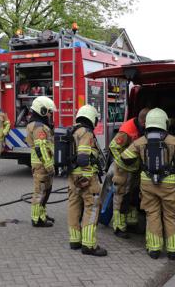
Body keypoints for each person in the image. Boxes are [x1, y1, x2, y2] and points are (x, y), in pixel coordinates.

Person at [121, 108, 175, 260]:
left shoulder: (141, 141)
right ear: (164, 123)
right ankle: (173, 250)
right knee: (171, 215)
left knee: (152, 215)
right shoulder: (173, 140)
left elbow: (125, 157)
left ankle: (154, 249)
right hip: (168, 183)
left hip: (147, 183)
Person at [67, 105, 107, 256]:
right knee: (92, 206)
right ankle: (89, 245)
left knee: (73, 205)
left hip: (72, 176)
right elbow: (83, 158)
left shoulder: (73, 130)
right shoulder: (86, 133)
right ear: (92, 118)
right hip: (85, 176)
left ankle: (75, 240)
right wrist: (87, 176)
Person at [109, 108, 149, 238]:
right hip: (124, 171)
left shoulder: (141, 127)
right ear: (144, 122)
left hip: (134, 170)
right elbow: (113, 146)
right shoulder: (127, 131)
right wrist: (122, 163)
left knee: (132, 197)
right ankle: (118, 227)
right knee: (120, 197)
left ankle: (131, 223)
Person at [25, 96, 56, 228]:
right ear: (42, 110)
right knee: (40, 191)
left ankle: (42, 213)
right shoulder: (39, 127)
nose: (50, 114)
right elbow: (41, 148)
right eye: (49, 111)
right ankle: (37, 219)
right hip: (42, 165)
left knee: (46, 190)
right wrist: (49, 166)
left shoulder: (37, 124)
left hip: (42, 164)